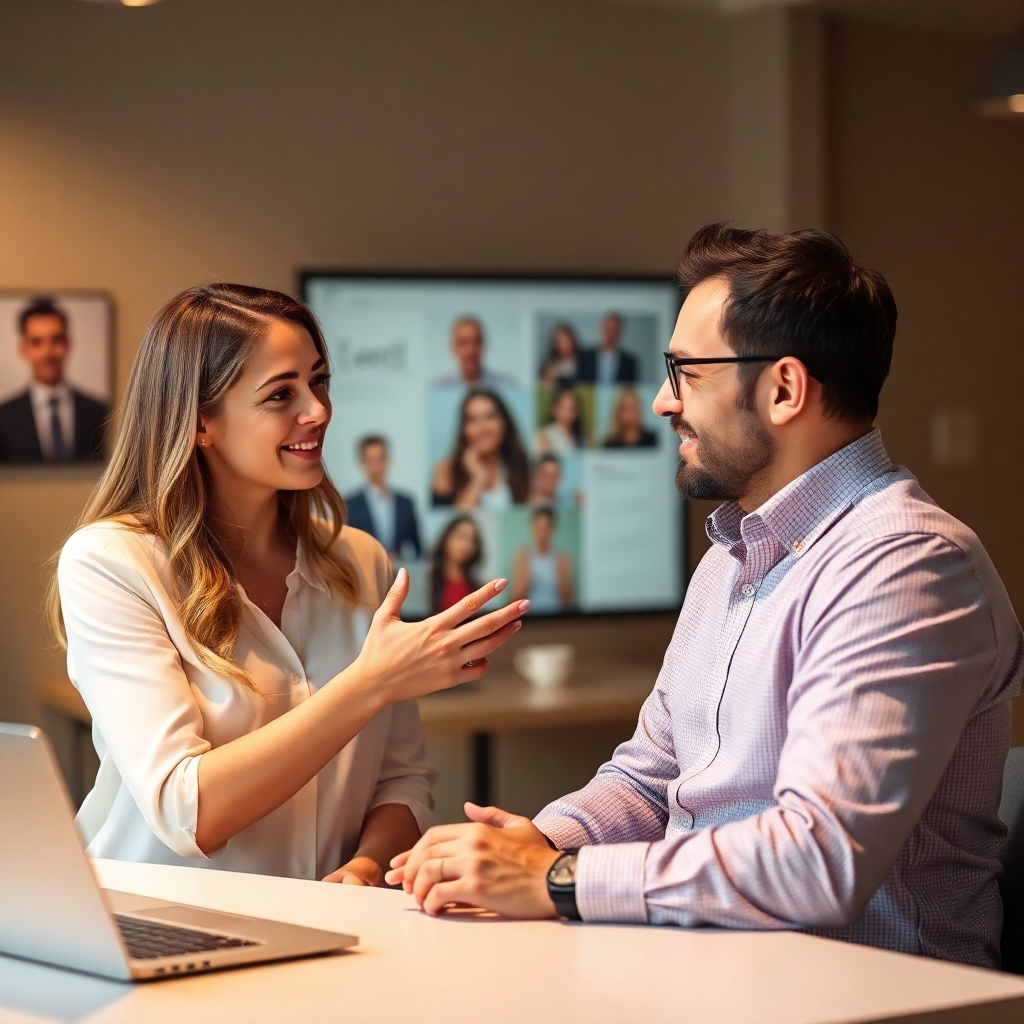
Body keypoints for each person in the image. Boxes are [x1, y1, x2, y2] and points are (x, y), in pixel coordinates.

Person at [387, 225, 1024, 970]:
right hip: (714, 969)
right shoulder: (734, 553)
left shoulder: (906, 565)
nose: (661, 401)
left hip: (867, 996)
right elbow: (651, 776)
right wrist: (540, 842)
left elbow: (818, 860)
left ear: (783, 388)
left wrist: (560, 880)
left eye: (686, 371)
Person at [51, 284, 528, 885]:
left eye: (319, 381)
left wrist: (364, 866)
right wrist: (371, 682)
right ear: (201, 423)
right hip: (159, 932)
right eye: (282, 393)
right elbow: (186, 812)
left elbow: (402, 779)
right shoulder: (111, 563)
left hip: (331, 936)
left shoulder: (361, 562)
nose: (318, 410)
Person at [0, 298, 108, 463]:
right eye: (37, 342)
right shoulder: (4, 417)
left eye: (56, 340)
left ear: (67, 344)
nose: (47, 352)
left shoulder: (99, 411)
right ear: (24, 349)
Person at [432, 389, 530, 509]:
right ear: (464, 429)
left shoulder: (525, 467)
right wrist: (477, 480)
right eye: (472, 420)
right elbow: (455, 522)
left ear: (504, 422)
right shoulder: (444, 470)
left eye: (490, 417)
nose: (483, 428)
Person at [345, 435, 422, 559]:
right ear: (362, 463)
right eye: (370, 460)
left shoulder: (405, 502)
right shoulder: (351, 504)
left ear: (388, 460)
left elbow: (418, 547)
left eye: (380, 458)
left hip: (399, 570)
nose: (376, 466)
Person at [510, 508, 574, 614]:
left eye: (546, 528)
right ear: (532, 527)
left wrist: (561, 579)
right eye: (539, 528)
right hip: (531, 621)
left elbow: (569, 603)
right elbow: (514, 601)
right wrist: (525, 581)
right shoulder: (522, 557)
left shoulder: (562, 559)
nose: (542, 533)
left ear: (553, 529)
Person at [431, 316, 517, 390]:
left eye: (476, 342)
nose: (471, 350)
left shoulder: (506, 386)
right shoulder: (439, 388)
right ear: (453, 347)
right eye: (463, 343)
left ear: (483, 345)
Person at [429, 516, 483, 614]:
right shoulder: (427, 580)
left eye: (472, 540)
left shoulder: (477, 587)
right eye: (461, 537)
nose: (466, 544)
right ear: (446, 538)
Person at [577, 312, 638, 385]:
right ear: (601, 329)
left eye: (615, 331)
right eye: (608, 329)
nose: (611, 334)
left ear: (620, 333)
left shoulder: (629, 362)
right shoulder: (585, 357)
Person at [533, 386, 585, 455]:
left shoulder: (582, 438)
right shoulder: (544, 436)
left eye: (571, 409)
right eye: (563, 408)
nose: (567, 414)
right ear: (554, 409)